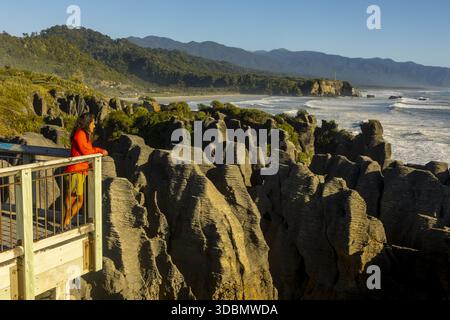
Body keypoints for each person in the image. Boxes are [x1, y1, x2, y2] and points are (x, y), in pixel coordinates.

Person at [63, 114, 108, 229]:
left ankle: (66, 222)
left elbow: (86, 152)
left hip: (81, 170)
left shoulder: (84, 135)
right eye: (92, 122)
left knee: (79, 200)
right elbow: (86, 152)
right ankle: (64, 224)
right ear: (87, 123)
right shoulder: (80, 134)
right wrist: (99, 151)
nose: (94, 125)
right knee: (73, 198)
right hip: (75, 171)